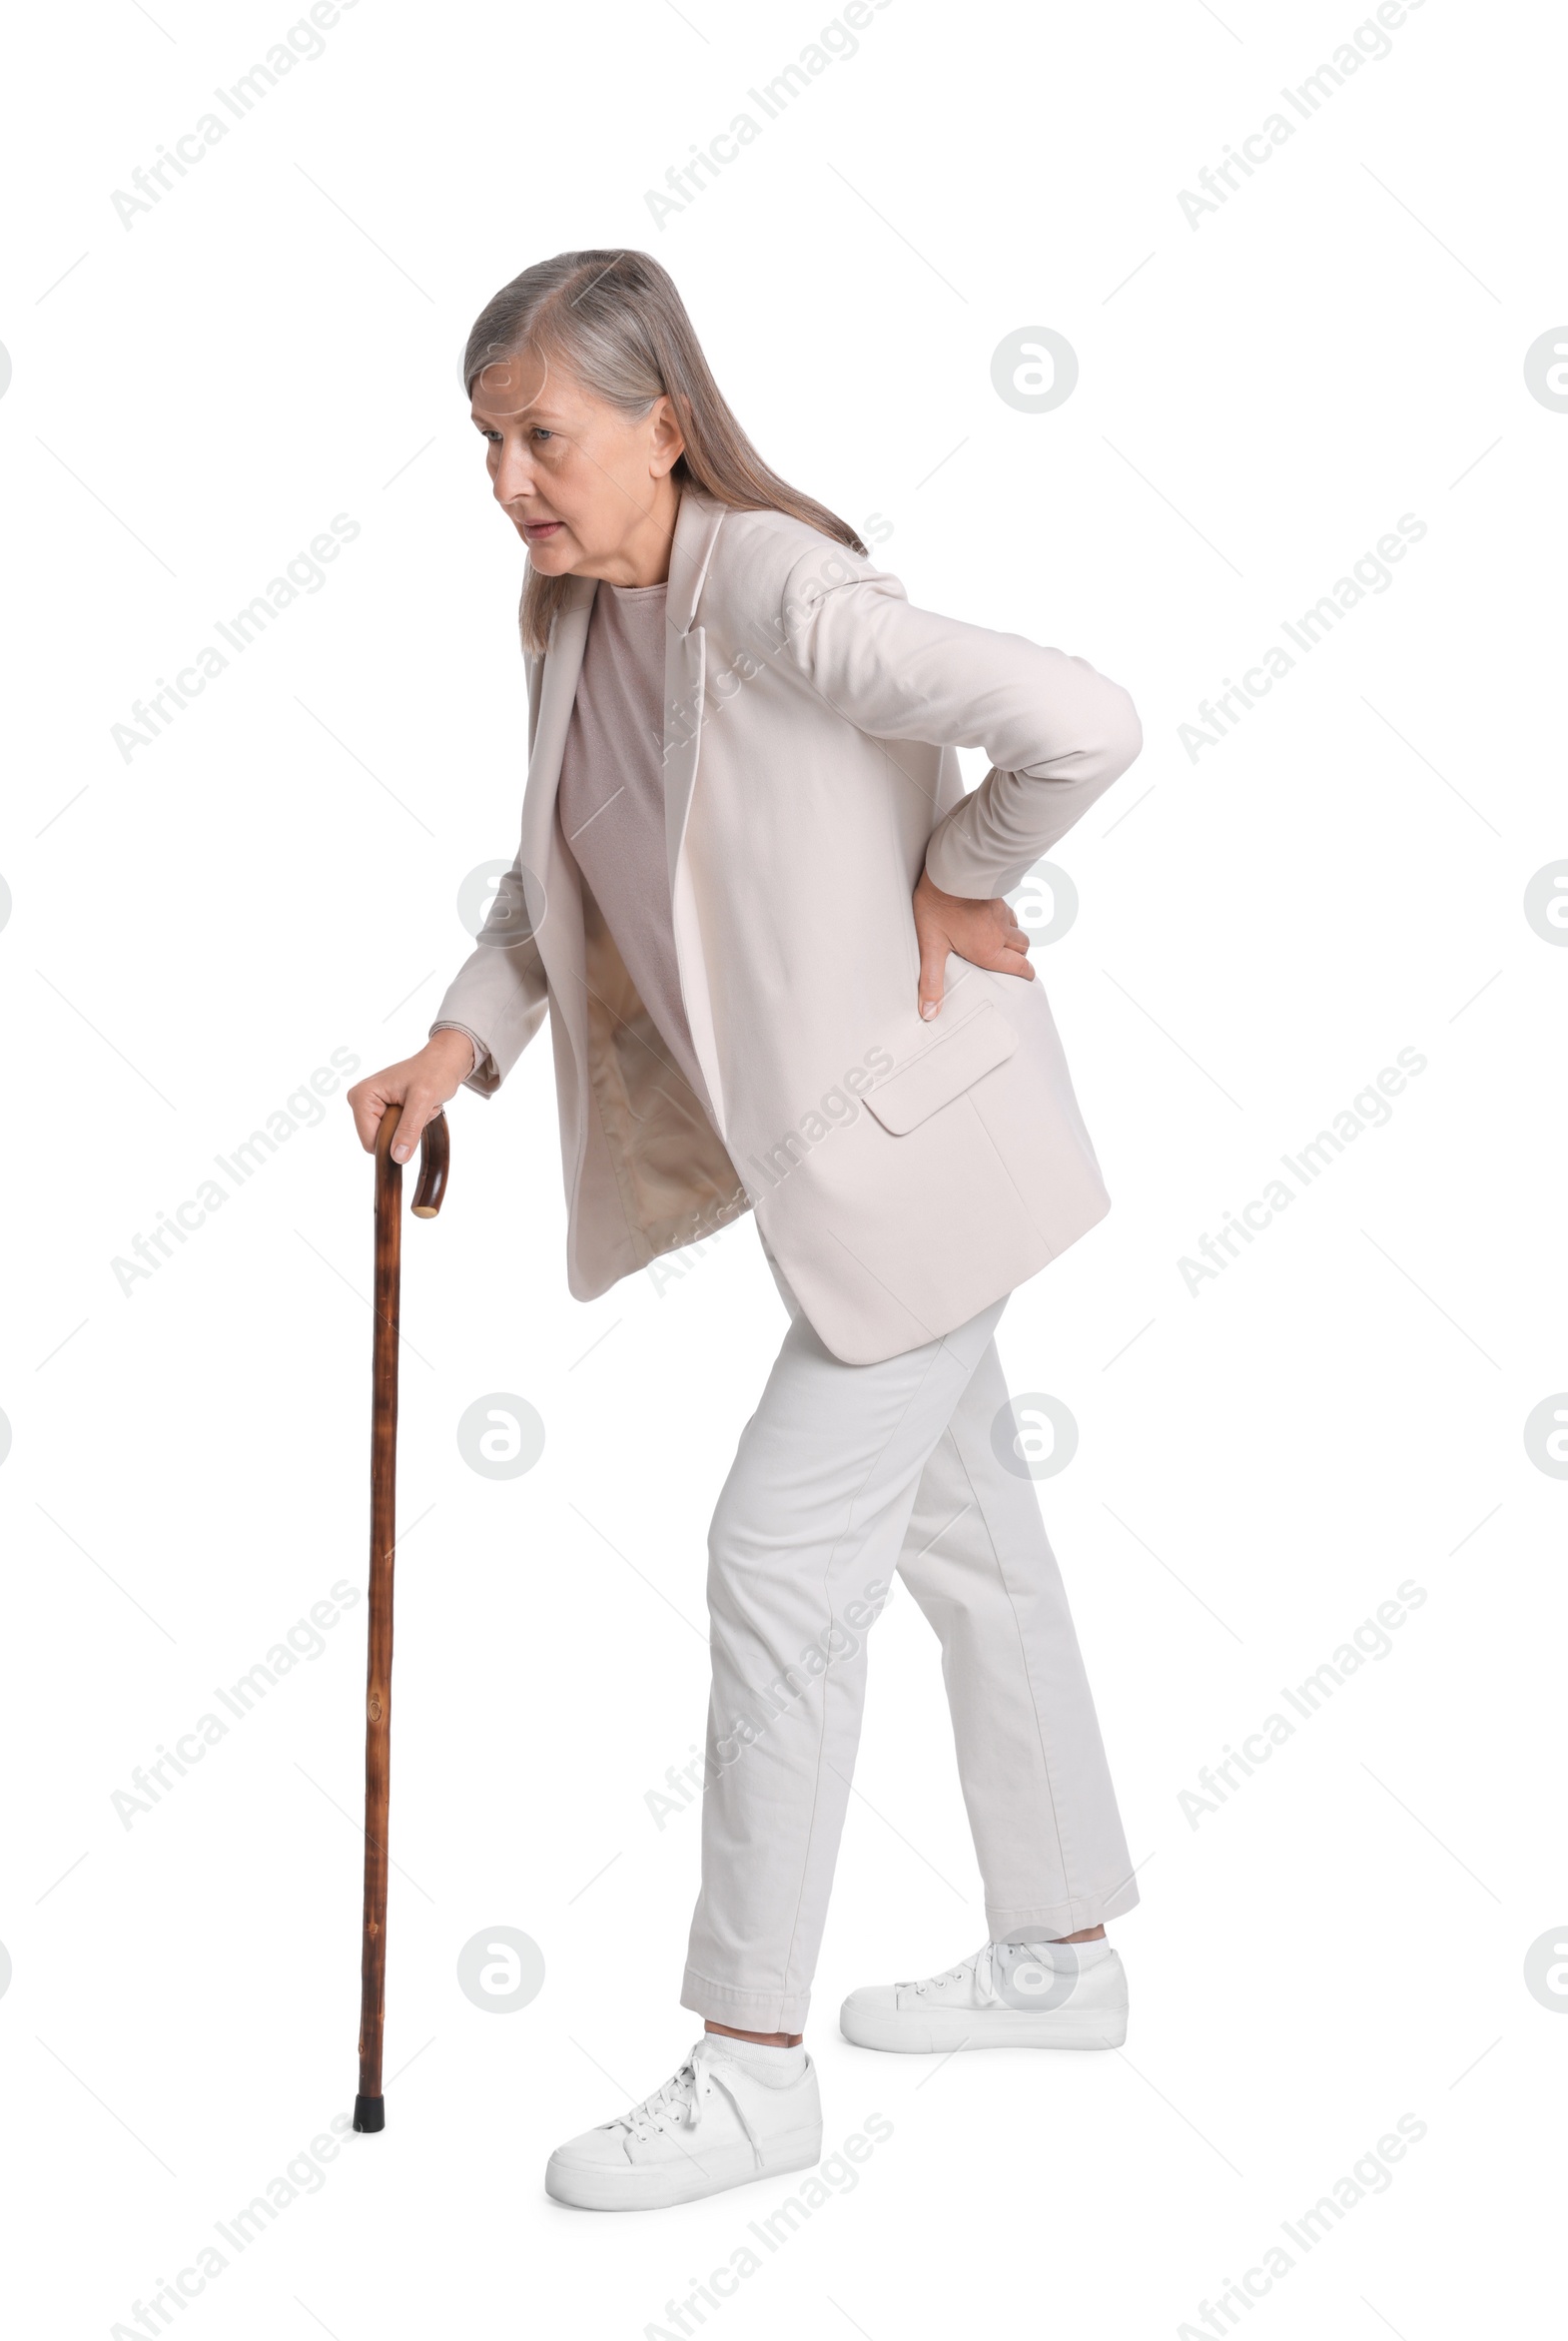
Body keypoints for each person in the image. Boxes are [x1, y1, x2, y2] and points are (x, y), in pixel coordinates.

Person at [349, 248, 1145, 2213]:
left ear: (662, 425)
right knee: (969, 1545)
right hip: (847, 1178)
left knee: (775, 1557)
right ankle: (1054, 1954)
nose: (510, 478)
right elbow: (557, 886)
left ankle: (749, 2061)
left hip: (917, 1162)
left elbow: (1078, 715)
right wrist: (461, 1039)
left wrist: (955, 872)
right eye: (486, 443)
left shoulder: (776, 589)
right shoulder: (573, 624)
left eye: (539, 435)